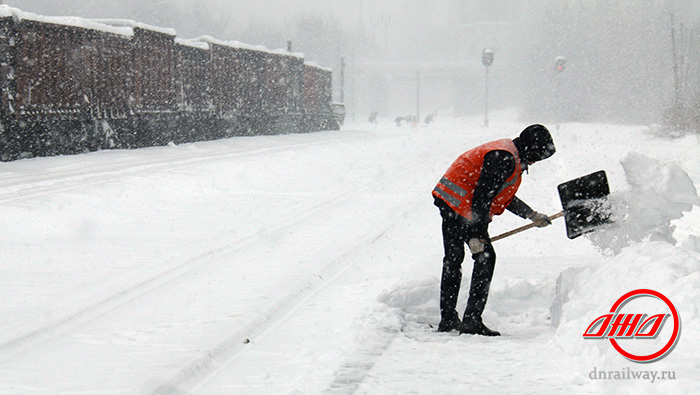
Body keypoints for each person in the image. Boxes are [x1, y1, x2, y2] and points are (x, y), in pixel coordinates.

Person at [432, 124, 556, 336]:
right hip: (461, 206)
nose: (535, 162)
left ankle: (449, 319)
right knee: (485, 258)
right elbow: (482, 196)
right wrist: (478, 233)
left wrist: (531, 215)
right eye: (536, 156)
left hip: (451, 203)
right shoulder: (504, 158)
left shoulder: (509, 154)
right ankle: (471, 321)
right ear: (528, 148)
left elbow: (501, 195)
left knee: (453, 259)